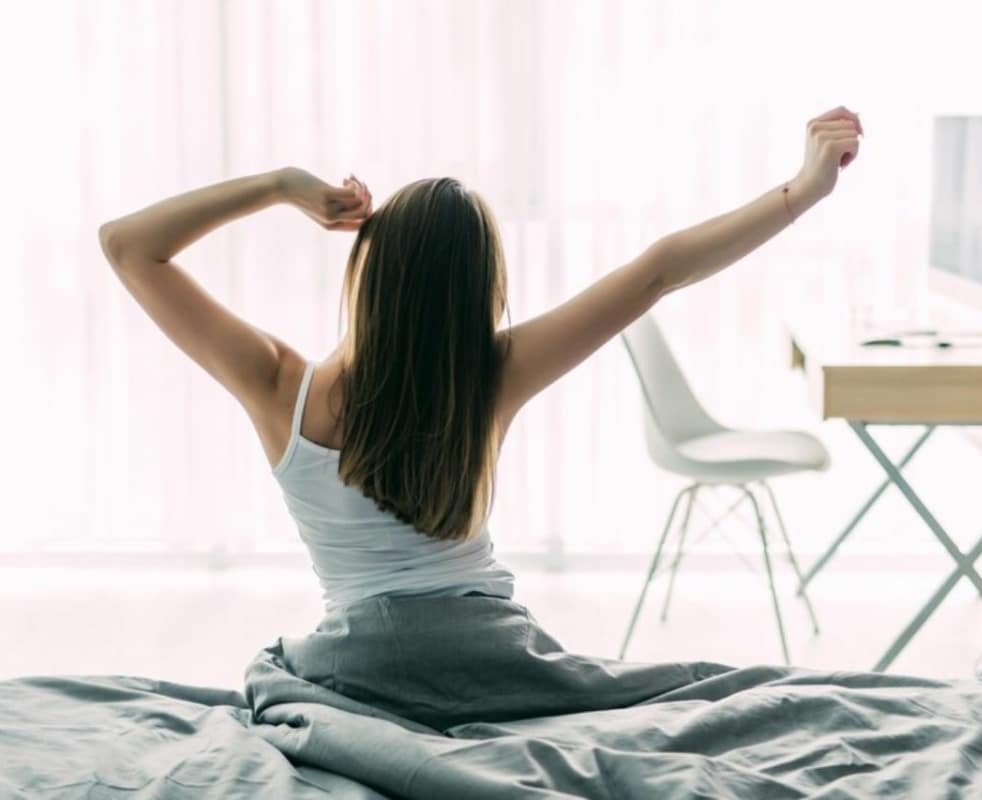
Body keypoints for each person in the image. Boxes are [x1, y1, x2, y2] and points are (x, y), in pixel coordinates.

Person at [98, 106, 862, 725]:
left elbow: (129, 247)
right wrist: (802, 190)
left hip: (355, 669)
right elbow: (660, 270)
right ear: (478, 290)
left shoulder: (278, 389)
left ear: (368, 267)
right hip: (492, 658)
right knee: (724, 695)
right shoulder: (493, 375)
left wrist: (279, 187)